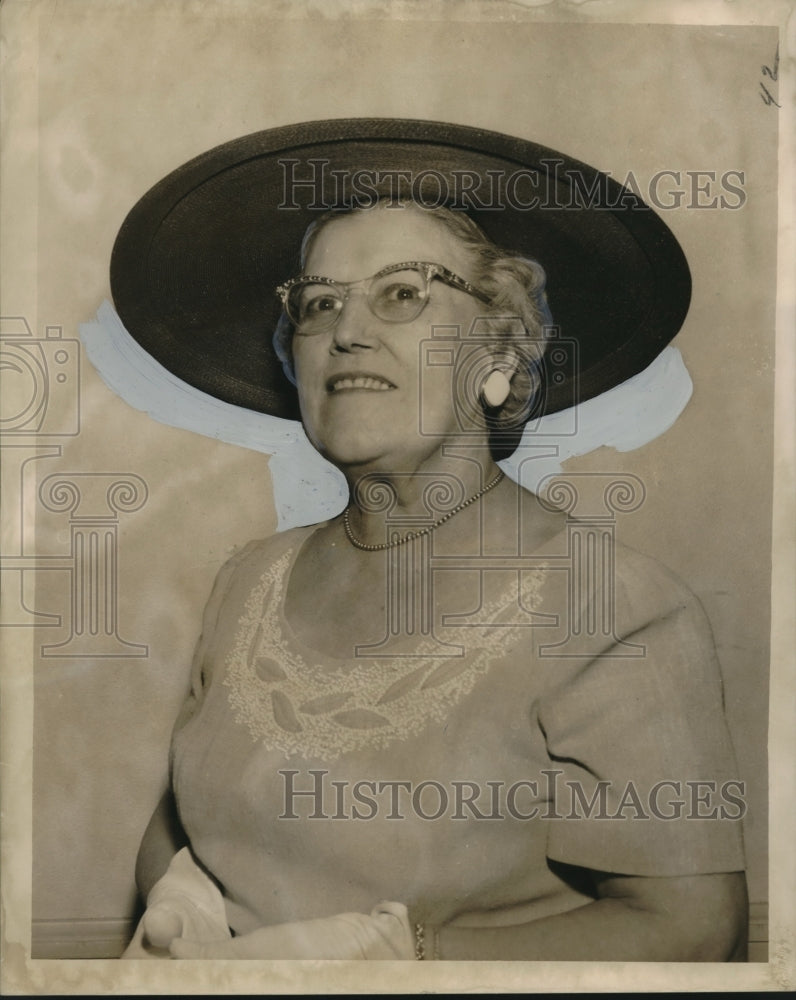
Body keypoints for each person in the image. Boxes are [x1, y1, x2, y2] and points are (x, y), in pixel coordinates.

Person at [112, 121, 748, 961]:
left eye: (404, 293)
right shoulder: (249, 579)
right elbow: (188, 825)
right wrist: (185, 901)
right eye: (320, 302)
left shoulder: (615, 606)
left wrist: (391, 952)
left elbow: (694, 931)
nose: (347, 331)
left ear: (501, 352)